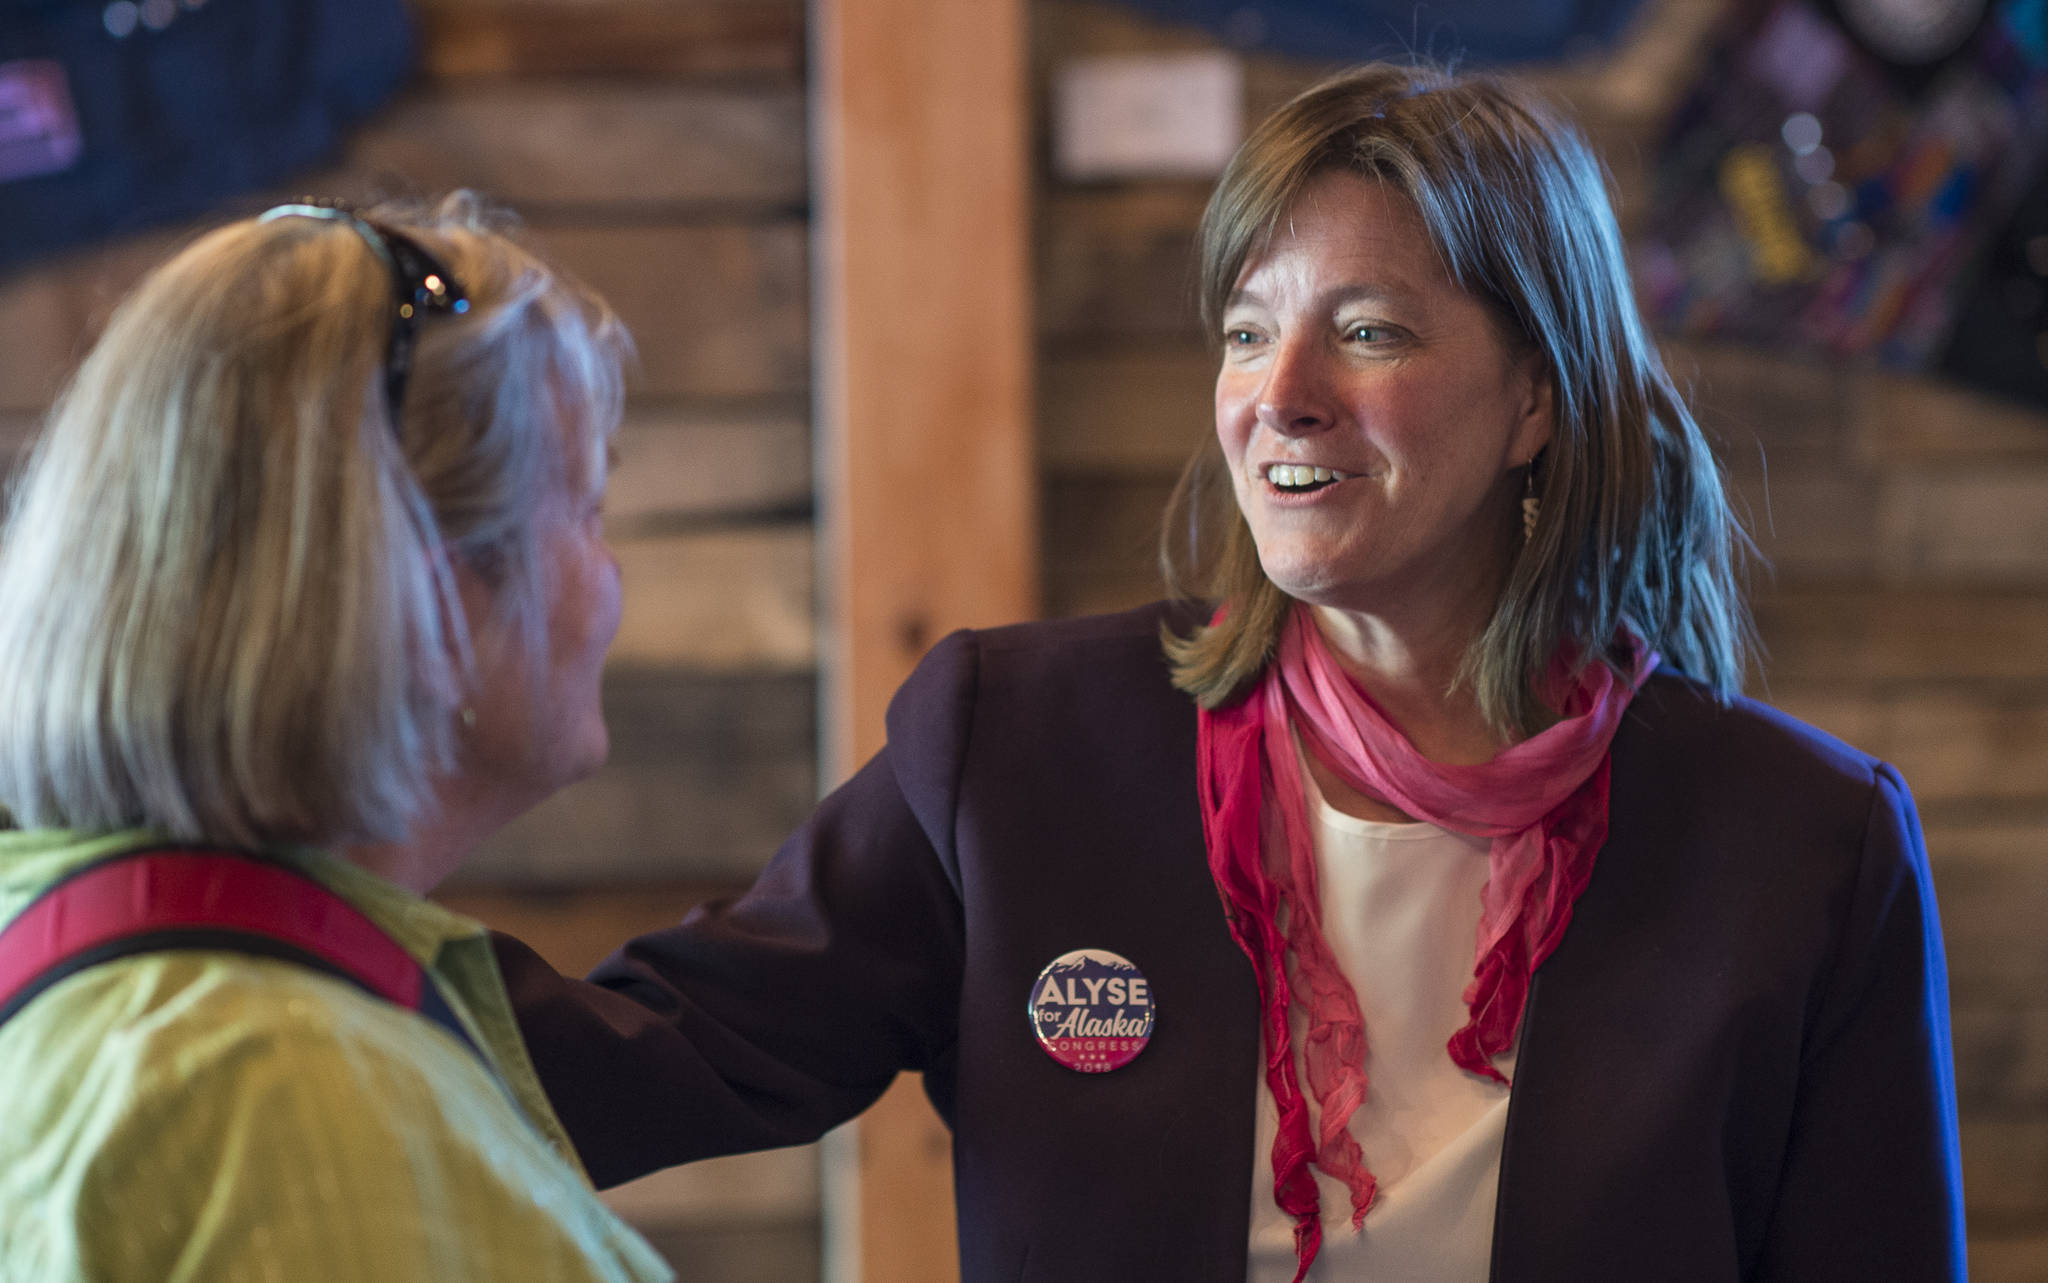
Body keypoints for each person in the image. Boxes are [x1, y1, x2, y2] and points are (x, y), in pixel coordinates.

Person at [494, 64, 1966, 1282]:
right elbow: (649, 1053)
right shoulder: (1019, 750)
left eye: (1369, 330)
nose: (1279, 395)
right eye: (1249, 329)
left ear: (1536, 396)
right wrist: (286, 930)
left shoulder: (1806, 845)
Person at [0, 196, 671, 1283]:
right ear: (443, 607)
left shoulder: (78, 961)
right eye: (586, 513)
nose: (609, 581)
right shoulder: (283, 1093)